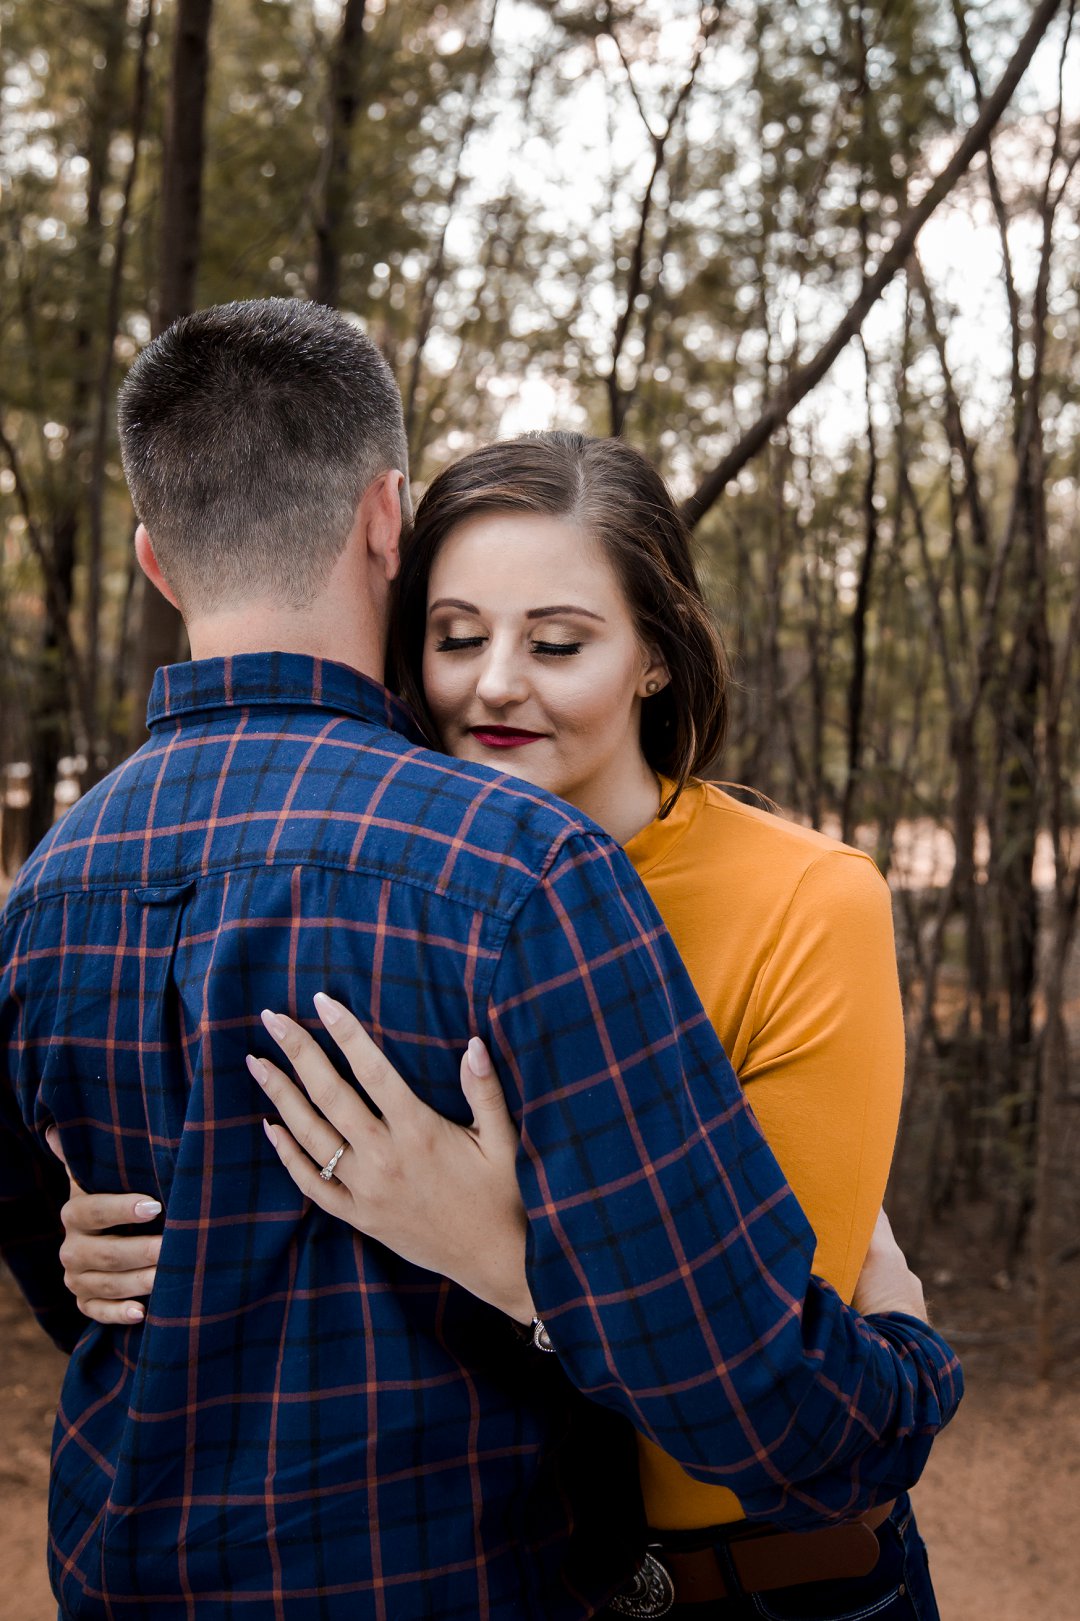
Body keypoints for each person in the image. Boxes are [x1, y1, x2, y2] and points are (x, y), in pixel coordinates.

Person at [0, 300, 960, 1621]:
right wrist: (907, 1361)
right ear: (386, 528)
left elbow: (90, 1302)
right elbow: (761, 1395)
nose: (499, 681)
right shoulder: (510, 874)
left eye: (557, 639)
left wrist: (504, 1251)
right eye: (461, 635)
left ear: (154, 561)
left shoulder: (46, 889)